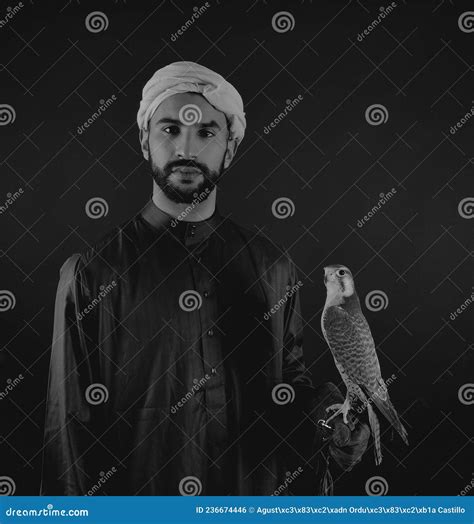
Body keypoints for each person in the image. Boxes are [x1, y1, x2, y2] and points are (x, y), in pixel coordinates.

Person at [39, 61, 369, 496]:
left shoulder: (272, 267)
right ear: (144, 140)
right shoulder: (92, 274)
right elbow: (68, 428)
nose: (187, 148)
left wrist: (331, 420)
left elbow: (287, 385)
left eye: (207, 133)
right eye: (170, 130)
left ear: (229, 148)